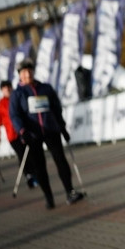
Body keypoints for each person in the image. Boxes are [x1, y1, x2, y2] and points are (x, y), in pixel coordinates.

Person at [9, 58, 85, 209]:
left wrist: (62, 127)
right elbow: (15, 115)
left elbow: (56, 108)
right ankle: (49, 198)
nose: (28, 74)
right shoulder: (18, 94)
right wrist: (22, 131)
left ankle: (70, 192)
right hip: (33, 134)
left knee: (61, 161)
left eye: (29, 70)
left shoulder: (46, 88)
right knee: (40, 167)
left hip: (51, 130)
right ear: (19, 75)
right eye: (24, 72)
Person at [0, 79, 34, 188]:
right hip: (13, 135)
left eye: (9, 87)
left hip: (24, 131)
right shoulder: (0, 105)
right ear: (2, 90)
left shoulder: (19, 97)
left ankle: (33, 173)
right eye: (5, 88)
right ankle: (28, 175)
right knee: (22, 155)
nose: (7, 90)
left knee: (30, 153)